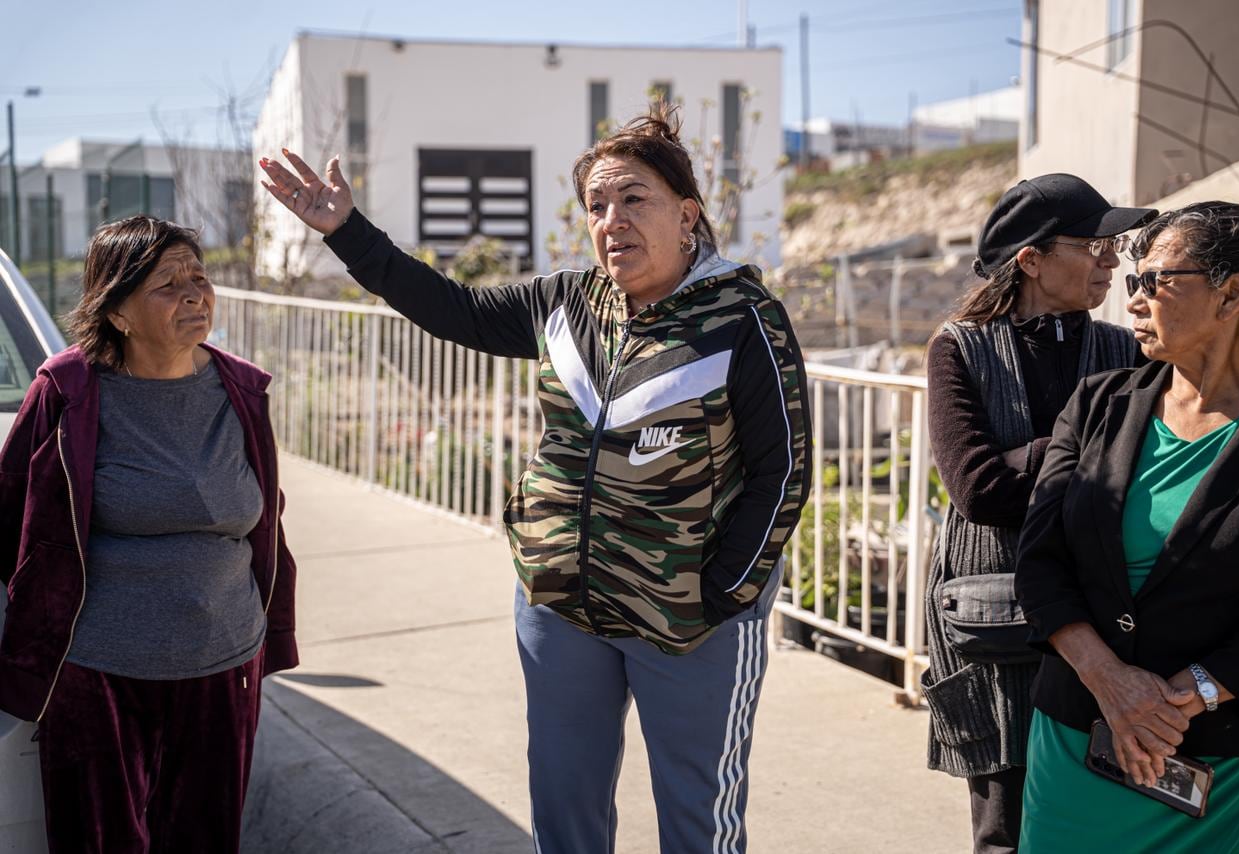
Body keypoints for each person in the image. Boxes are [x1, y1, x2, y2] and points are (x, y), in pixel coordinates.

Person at [258, 103, 811, 853]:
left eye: (634, 199)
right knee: (564, 807)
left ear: (687, 215)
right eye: (596, 204)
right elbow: (452, 309)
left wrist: (720, 595)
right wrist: (348, 233)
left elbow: (785, 469)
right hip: (558, 604)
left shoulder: (744, 317)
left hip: (687, 622)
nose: (612, 219)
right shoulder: (564, 303)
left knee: (697, 821)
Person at [0, 215, 299, 853]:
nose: (194, 294)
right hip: (99, 678)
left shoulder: (243, 390)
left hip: (223, 669)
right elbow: (11, 515)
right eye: (167, 284)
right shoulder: (69, 391)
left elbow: (264, 522)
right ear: (117, 311)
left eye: (198, 276)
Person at [1015, 201, 1239, 851]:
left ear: (1232, 294)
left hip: (1229, 769)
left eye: (1155, 280)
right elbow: (1040, 565)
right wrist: (1111, 682)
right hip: (1077, 740)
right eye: (1131, 281)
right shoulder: (1099, 405)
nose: (1132, 299)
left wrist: (1186, 695)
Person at [922, 174, 1156, 853]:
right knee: (1007, 828)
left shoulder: (1127, 349)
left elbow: (1144, 472)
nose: (1114, 261)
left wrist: (1035, 458)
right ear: (1032, 259)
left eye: (1118, 246)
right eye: (1096, 245)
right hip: (999, 620)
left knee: (1101, 813)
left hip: (1108, 620)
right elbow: (979, 490)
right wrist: (1088, 447)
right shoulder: (958, 346)